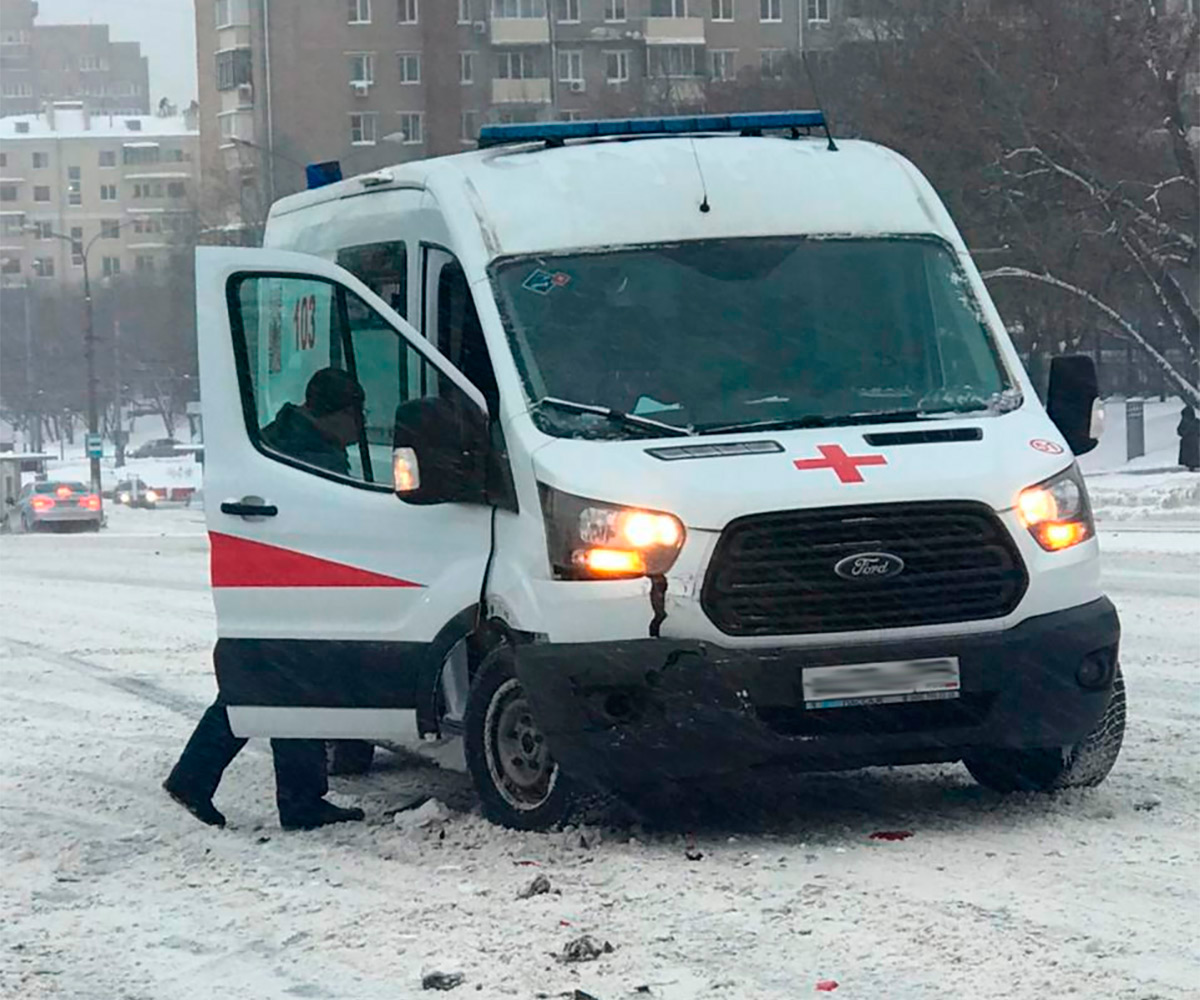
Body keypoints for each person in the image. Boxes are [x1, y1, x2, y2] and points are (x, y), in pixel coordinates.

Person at [163, 368, 371, 829]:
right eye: (358, 415)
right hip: (299, 583)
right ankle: (291, 800)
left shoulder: (282, 437)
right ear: (335, 413)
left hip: (275, 578)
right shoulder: (314, 455)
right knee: (292, 686)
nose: (361, 426)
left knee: (273, 687)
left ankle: (209, 781)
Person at [1179, 405, 1199, 472]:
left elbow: (1180, 431)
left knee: (1191, 456)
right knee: (1193, 455)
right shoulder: (1196, 421)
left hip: (1189, 442)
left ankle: (1192, 466)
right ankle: (1192, 465)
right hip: (1194, 442)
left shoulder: (1185, 422)